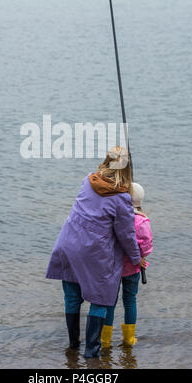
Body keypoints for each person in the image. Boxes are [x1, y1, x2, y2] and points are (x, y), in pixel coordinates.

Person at [46, 146, 146, 358]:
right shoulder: (122, 199)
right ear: (126, 171)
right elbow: (126, 236)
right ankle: (91, 353)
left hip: (68, 244)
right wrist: (137, 258)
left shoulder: (87, 180)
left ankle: (73, 346)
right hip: (93, 253)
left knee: (72, 298)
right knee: (101, 299)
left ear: (106, 162)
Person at [101, 182, 153, 348]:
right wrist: (142, 255)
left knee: (110, 302)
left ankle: (105, 340)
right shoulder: (142, 221)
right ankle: (129, 339)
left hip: (113, 267)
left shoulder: (115, 217)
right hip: (133, 268)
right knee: (130, 300)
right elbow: (147, 245)